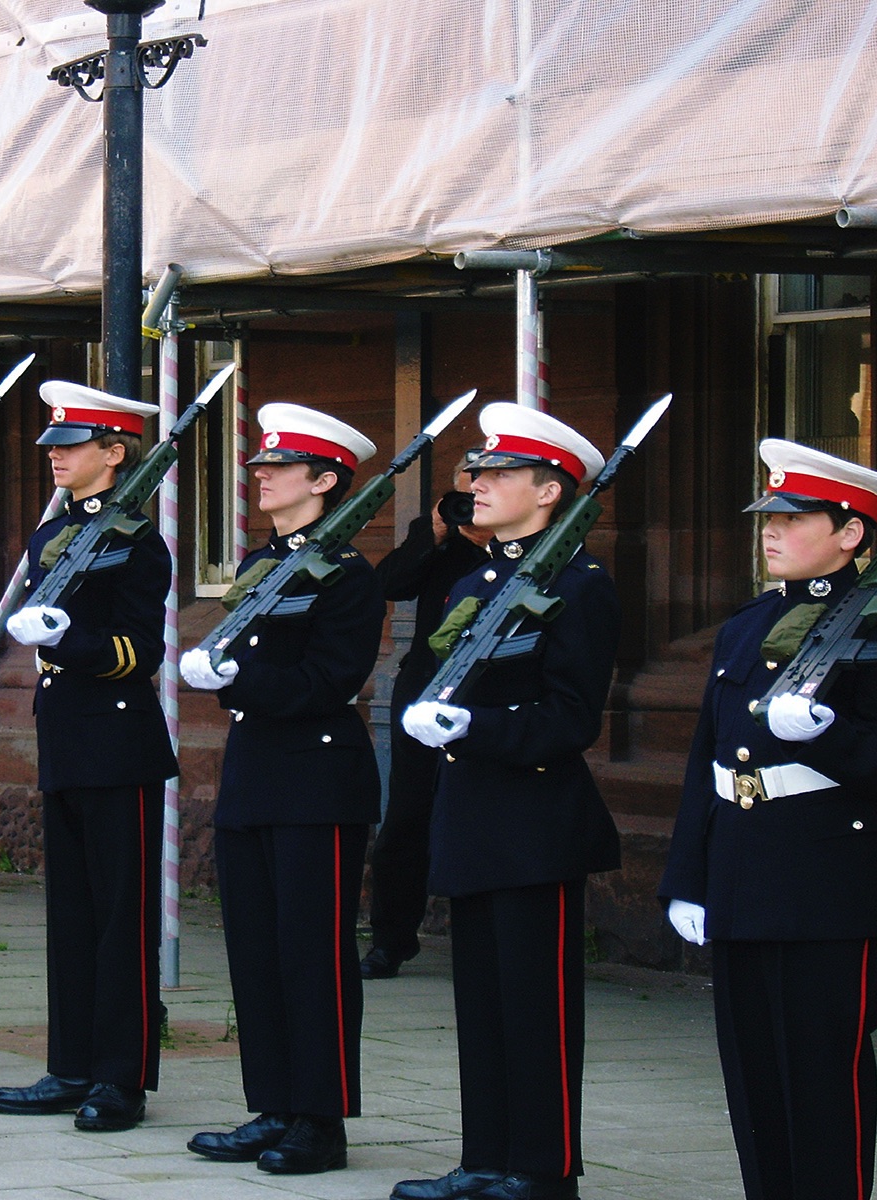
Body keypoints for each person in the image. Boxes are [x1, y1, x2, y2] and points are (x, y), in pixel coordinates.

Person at [394, 403, 620, 1200]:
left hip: (534, 822)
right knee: (483, 1006)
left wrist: (475, 724)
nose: (476, 484)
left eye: (497, 473)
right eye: (478, 471)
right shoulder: (484, 577)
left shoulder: (580, 586)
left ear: (550, 490)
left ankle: (546, 1168)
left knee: (537, 1008)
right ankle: (485, 1156)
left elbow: (571, 716)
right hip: (474, 815)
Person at [659, 440, 877, 1200]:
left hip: (830, 883)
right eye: (769, 517)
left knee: (823, 1079)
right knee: (753, 1079)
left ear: (851, 532)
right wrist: (687, 878)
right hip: (744, 875)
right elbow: (706, 765)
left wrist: (828, 734)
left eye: (794, 518)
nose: (772, 531)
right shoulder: (747, 626)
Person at [178, 404, 383, 1174]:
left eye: (279, 465)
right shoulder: (267, 566)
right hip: (256, 775)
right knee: (257, 955)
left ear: (325, 480)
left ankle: (320, 1120)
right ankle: (272, 1104)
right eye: (260, 463)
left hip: (316, 780)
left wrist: (242, 679)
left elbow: (331, 679)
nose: (259, 474)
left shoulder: (348, 576)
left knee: (313, 955)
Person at [0, 382, 176, 1133]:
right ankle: (69, 1064)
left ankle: (120, 1078)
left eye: (72, 447)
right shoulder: (51, 535)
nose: (58, 458)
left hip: (119, 740)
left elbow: (140, 650)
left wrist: (66, 637)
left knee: (120, 919)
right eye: (55, 447)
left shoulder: (135, 540)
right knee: (69, 915)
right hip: (64, 734)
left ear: (115, 453)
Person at [363, 456, 491, 979]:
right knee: (407, 817)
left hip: (487, 699)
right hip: (425, 694)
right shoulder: (440, 538)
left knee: (484, 815)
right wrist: (436, 529)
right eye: (464, 490)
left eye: (483, 486)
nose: (474, 499)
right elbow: (387, 584)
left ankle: (482, 939)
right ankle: (391, 940)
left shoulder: (532, 552)